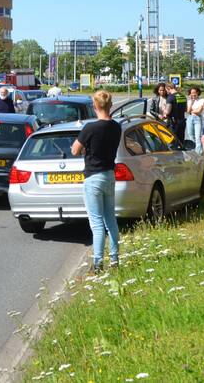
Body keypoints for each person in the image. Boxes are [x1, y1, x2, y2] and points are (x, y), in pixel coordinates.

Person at [71, 90, 120, 272]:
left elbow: (75, 150)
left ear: (95, 106)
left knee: (97, 224)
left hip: (93, 177)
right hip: (109, 175)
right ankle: (114, 259)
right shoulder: (116, 127)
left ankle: (98, 264)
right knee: (110, 220)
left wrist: (86, 149)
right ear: (110, 105)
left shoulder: (90, 128)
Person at [185, 86, 204, 154]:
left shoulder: (201, 100)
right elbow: (188, 111)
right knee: (191, 135)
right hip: (190, 118)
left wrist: (192, 111)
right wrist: (192, 102)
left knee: (198, 136)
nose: (193, 94)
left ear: (198, 92)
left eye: (194, 92)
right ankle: (193, 151)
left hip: (197, 118)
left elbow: (199, 111)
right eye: (191, 93)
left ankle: (199, 152)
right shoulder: (189, 101)